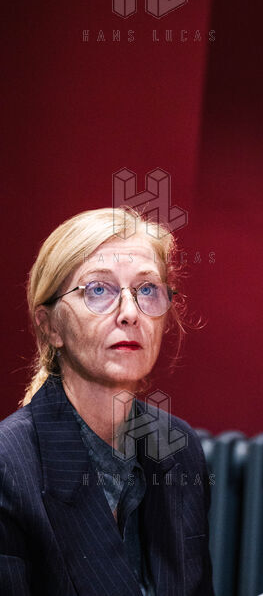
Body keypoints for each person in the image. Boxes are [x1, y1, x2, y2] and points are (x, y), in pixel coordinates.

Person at [0, 206, 215, 596]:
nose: (130, 313)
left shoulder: (179, 448)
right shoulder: (8, 466)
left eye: (147, 290)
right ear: (50, 326)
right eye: (98, 290)